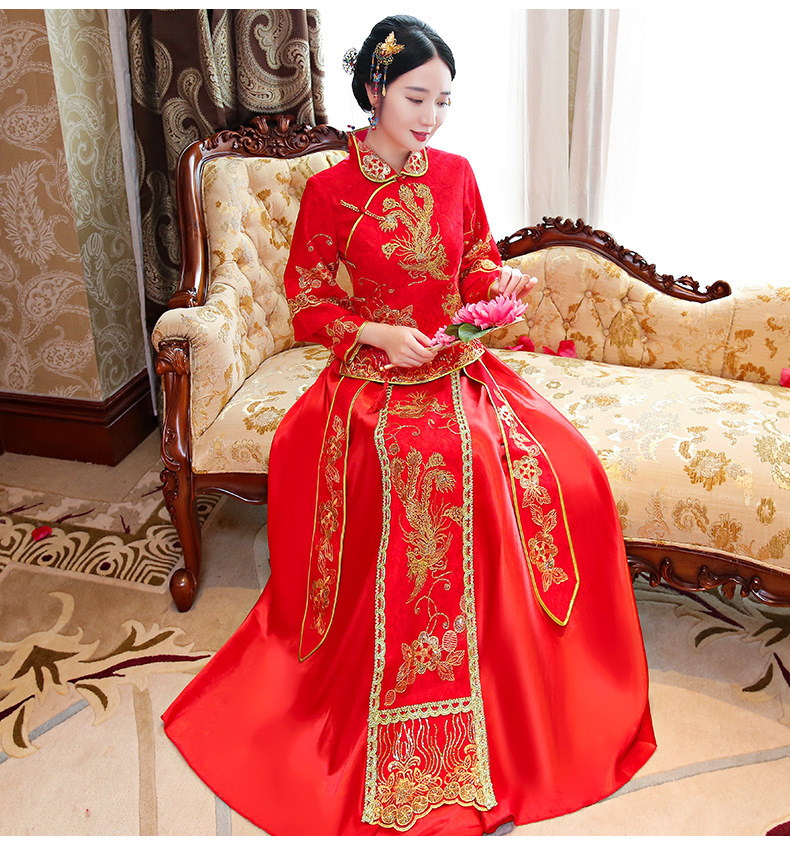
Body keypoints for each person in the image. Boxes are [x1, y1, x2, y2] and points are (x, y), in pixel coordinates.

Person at [162, 15, 656, 836]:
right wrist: (377, 334)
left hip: (456, 364)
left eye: (443, 101)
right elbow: (309, 301)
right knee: (412, 463)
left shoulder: (457, 175)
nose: (431, 117)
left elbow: (476, 263)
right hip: (371, 376)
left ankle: (513, 678)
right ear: (374, 90)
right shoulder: (330, 191)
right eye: (416, 97)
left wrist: (497, 290)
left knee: (553, 465)